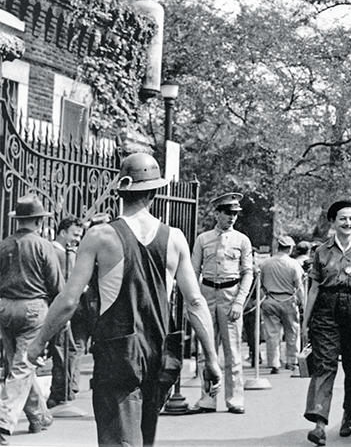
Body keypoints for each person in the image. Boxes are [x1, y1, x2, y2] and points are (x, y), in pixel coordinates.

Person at [27, 153, 222, 447]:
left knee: (119, 441)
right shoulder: (176, 238)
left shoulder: (100, 236)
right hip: (159, 353)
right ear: (155, 192)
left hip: (118, 353)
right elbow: (195, 303)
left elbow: (69, 299)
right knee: (142, 438)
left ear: (121, 191)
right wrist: (212, 359)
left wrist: (39, 342)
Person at [302, 200, 351, 446]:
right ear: (333, 222)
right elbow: (313, 288)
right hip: (326, 311)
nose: (348, 223)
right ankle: (320, 424)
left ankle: (347, 415)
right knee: (325, 366)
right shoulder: (322, 251)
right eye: (343, 218)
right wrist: (305, 321)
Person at [0, 194, 62, 444]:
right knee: (23, 366)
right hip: (34, 307)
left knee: (17, 366)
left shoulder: (4, 245)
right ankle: (4, 422)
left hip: (5, 307)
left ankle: (38, 415)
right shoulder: (43, 246)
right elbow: (57, 285)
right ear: (38, 221)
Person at [189, 192, 253, 415]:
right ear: (216, 213)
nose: (232, 217)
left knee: (233, 351)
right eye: (227, 212)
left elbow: (248, 273)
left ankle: (235, 399)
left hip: (230, 294)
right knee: (206, 350)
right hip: (207, 293)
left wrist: (239, 301)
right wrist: (195, 300)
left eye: (235, 213)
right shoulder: (203, 239)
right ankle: (207, 398)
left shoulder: (242, 240)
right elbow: (192, 270)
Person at [47, 216, 83, 409]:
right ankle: (60, 393)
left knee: (66, 350)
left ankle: (63, 391)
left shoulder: (58, 251)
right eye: (74, 234)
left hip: (57, 308)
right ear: (62, 233)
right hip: (59, 310)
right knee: (64, 351)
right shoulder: (60, 254)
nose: (77, 239)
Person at [260, 235, 305, 374]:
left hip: (270, 299)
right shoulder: (293, 264)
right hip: (288, 300)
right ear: (290, 248)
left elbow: (261, 283)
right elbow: (299, 286)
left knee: (272, 333)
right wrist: (303, 303)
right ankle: (292, 361)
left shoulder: (266, 263)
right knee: (292, 332)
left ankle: (274, 363)